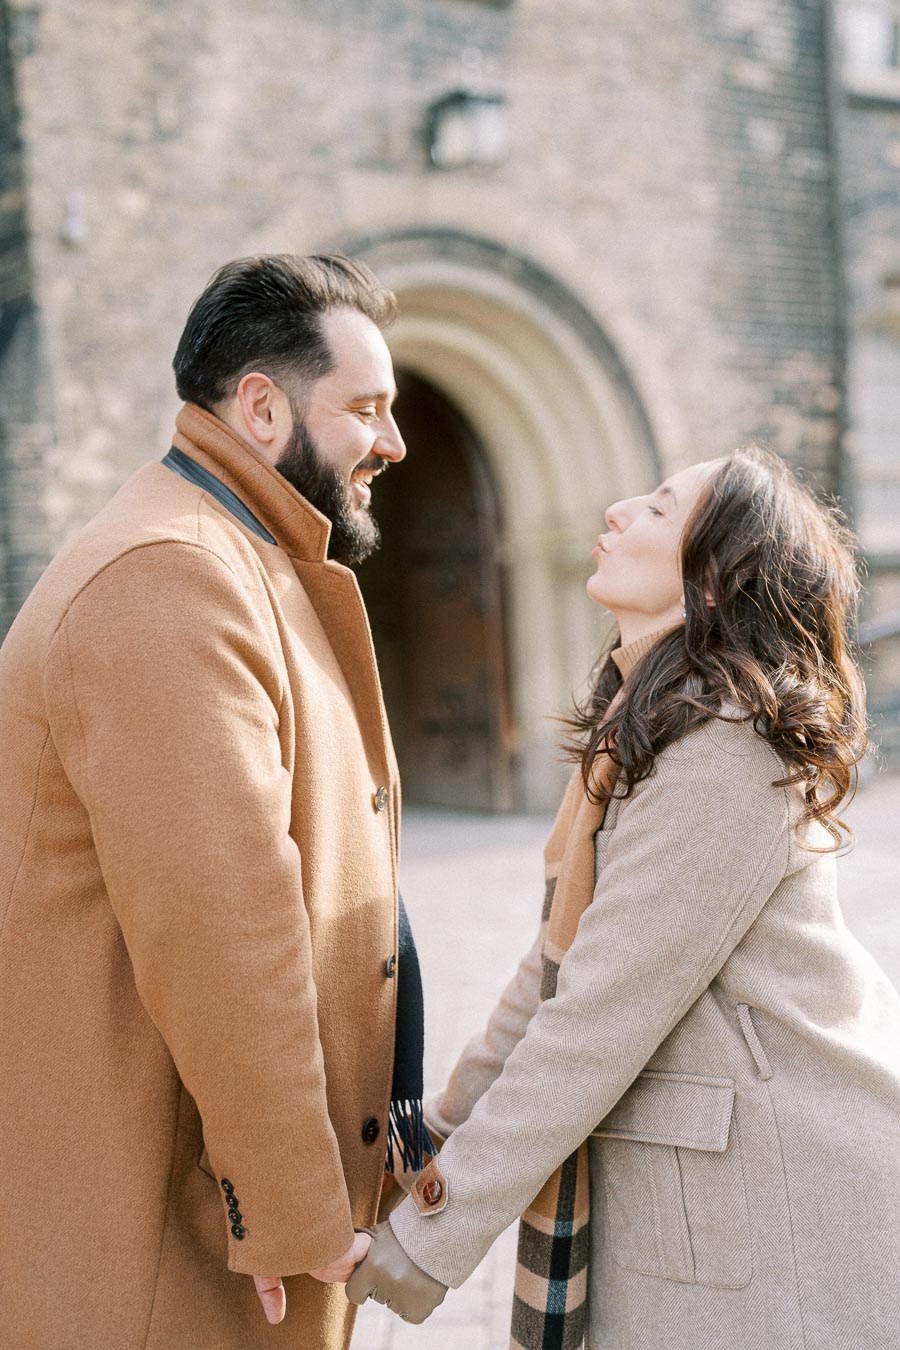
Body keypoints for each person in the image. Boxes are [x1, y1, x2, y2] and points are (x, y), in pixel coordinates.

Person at [349, 445, 900, 1348]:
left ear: (714, 581)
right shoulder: (644, 726)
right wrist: (429, 1147)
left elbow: (598, 1012)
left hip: (777, 1207)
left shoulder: (726, 748)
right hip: (710, 1207)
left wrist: (435, 1226)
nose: (616, 510)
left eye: (657, 508)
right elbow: (554, 972)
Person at [0, 253, 430, 1349]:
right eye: (367, 411)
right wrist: (290, 1204)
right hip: (168, 1217)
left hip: (199, 1198)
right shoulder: (170, 573)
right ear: (261, 406)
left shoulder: (238, 554)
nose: (394, 444)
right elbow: (220, 929)